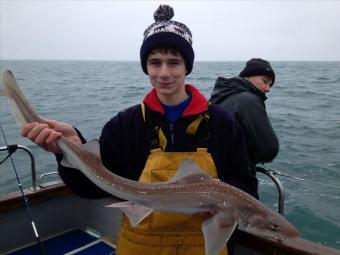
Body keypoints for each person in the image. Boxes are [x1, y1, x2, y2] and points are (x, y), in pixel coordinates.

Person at [21, 5, 258, 255]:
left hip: (202, 245)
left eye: (173, 62)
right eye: (155, 63)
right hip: (139, 246)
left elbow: (245, 184)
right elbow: (92, 187)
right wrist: (71, 150)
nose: (164, 73)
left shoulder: (223, 122)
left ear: (186, 67)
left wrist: (221, 201)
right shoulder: (125, 124)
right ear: (146, 67)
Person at [210, 58, 279, 176]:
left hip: (214, 173)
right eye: (265, 81)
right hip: (236, 179)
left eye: (270, 84)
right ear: (248, 76)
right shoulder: (248, 100)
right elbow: (268, 150)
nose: (268, 88)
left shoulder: (221, 96)